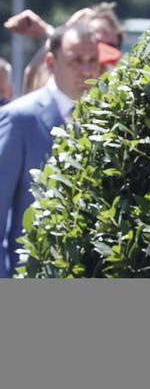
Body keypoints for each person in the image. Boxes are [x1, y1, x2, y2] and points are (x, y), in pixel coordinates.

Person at [0, 25, 99, 277]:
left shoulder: (105, 120)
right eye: (76, 60)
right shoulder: (19, 119)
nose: (87, 70)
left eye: (92, 60)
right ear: (51, 63)